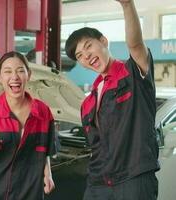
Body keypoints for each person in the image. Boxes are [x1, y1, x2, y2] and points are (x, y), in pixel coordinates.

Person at [65, 0, 159, 199]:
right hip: (98, 183)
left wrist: (127, 5)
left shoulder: (132, 73)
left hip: (133, 179)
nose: (86, 56)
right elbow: (96, 146)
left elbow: (135, 44)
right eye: (80, 55)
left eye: (88, 46)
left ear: (104, 41)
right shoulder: (88, 102)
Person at [0, 51, 57, 200]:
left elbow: (45, 150)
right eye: (7, 71)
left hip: (30, 191)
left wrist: (48, 173)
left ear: (29, 75)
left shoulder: (43, 112)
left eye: (20, 71)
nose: (15, 77)